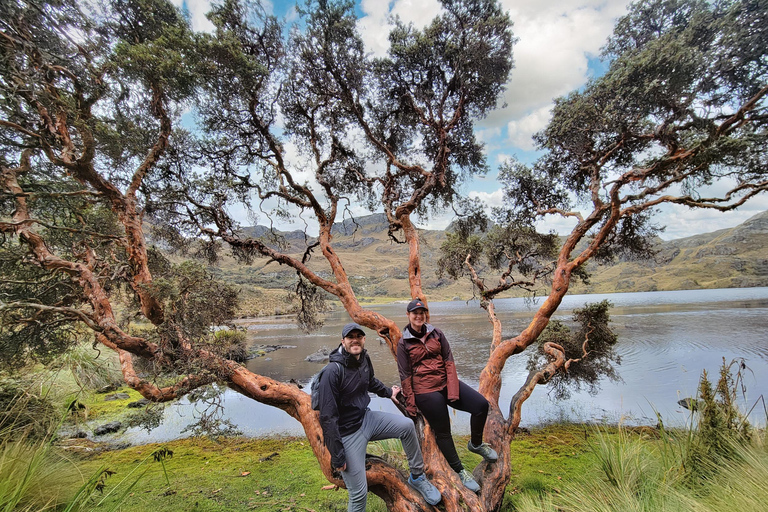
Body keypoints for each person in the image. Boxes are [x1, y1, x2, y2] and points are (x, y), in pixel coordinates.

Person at [316, 322, 441, 511]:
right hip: (348, 434)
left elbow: (370, 381)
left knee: (407, 426)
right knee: (358, 495)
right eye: (351, 337)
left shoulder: (363, 359)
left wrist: (388, 392)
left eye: (359, 337)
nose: (355, 340)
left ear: (364, 339)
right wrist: (338, 456)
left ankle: (416, 477)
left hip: (366, 419)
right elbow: (327, 417)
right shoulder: (332, 372)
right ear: (343, 341)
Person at [396, 298, 498, 492]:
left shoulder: (437, 333)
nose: (419, 316)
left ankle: (475, 444)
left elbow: (449, 361)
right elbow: (405, 375)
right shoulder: (404, 343)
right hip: (424, 390)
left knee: (480, 405)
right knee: (443, 430)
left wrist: (452, 390)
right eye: (414, 313)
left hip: (445, 382)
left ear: (425, 315)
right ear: (408, 316)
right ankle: (460, 470)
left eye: (422, 313)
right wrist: (410, 404)